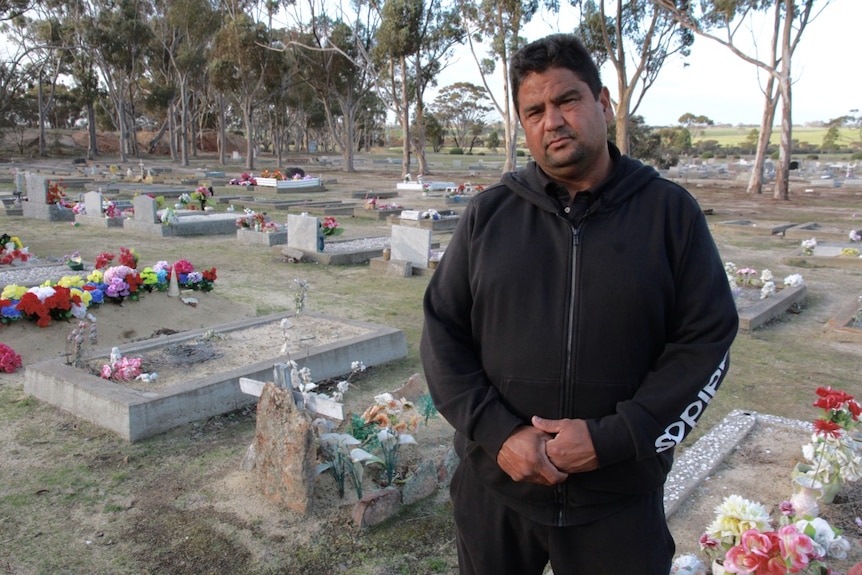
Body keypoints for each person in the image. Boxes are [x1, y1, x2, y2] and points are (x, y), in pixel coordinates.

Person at [420, 34, 738, 575]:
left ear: (604, 103)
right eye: (535, 111)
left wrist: (614, 438)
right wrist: (500, 435)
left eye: (567, 100)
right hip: (495, 490)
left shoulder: (669, 214)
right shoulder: (489, 216)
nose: (553, 121)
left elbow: (705, 343)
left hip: (618, 497)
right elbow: (442, 332)